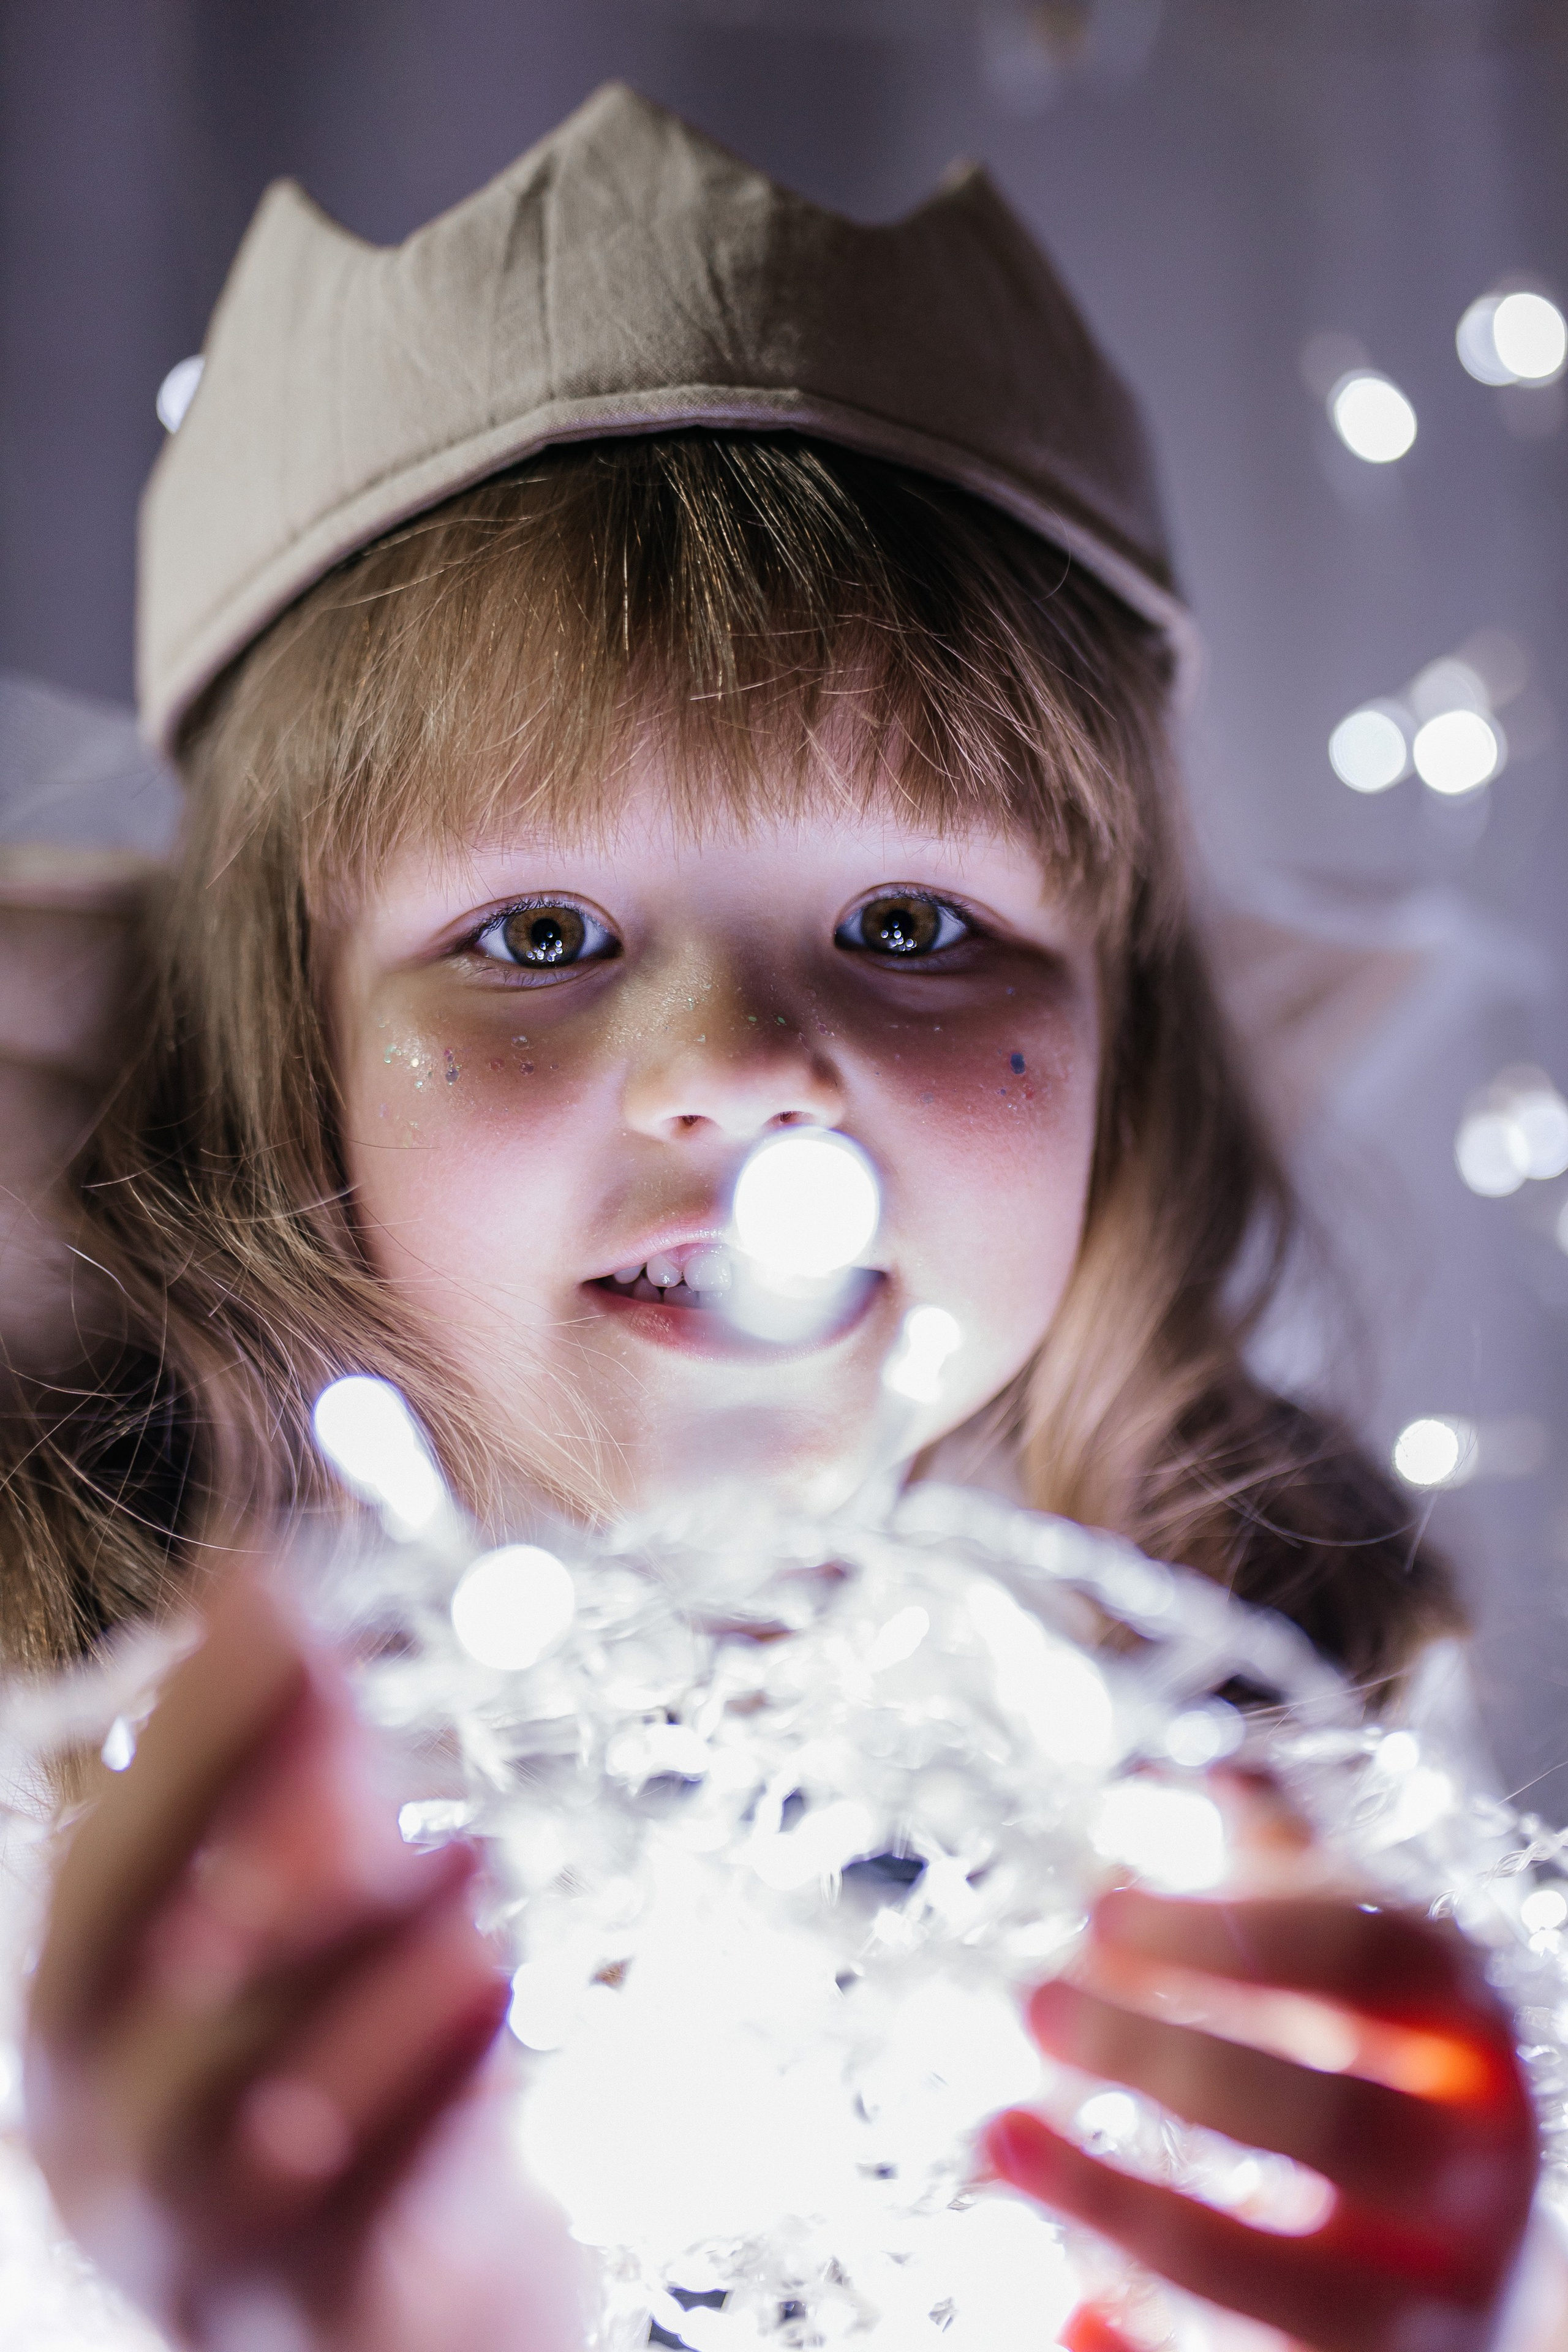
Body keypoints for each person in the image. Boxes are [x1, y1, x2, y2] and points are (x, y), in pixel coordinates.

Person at [4, 84, 1550, 2352]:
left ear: (1133, 1073)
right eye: (536, 936)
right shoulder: (88, 1848)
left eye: (916, 919)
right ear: (281, 1084)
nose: (735, 1067)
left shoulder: (1313, 1769)